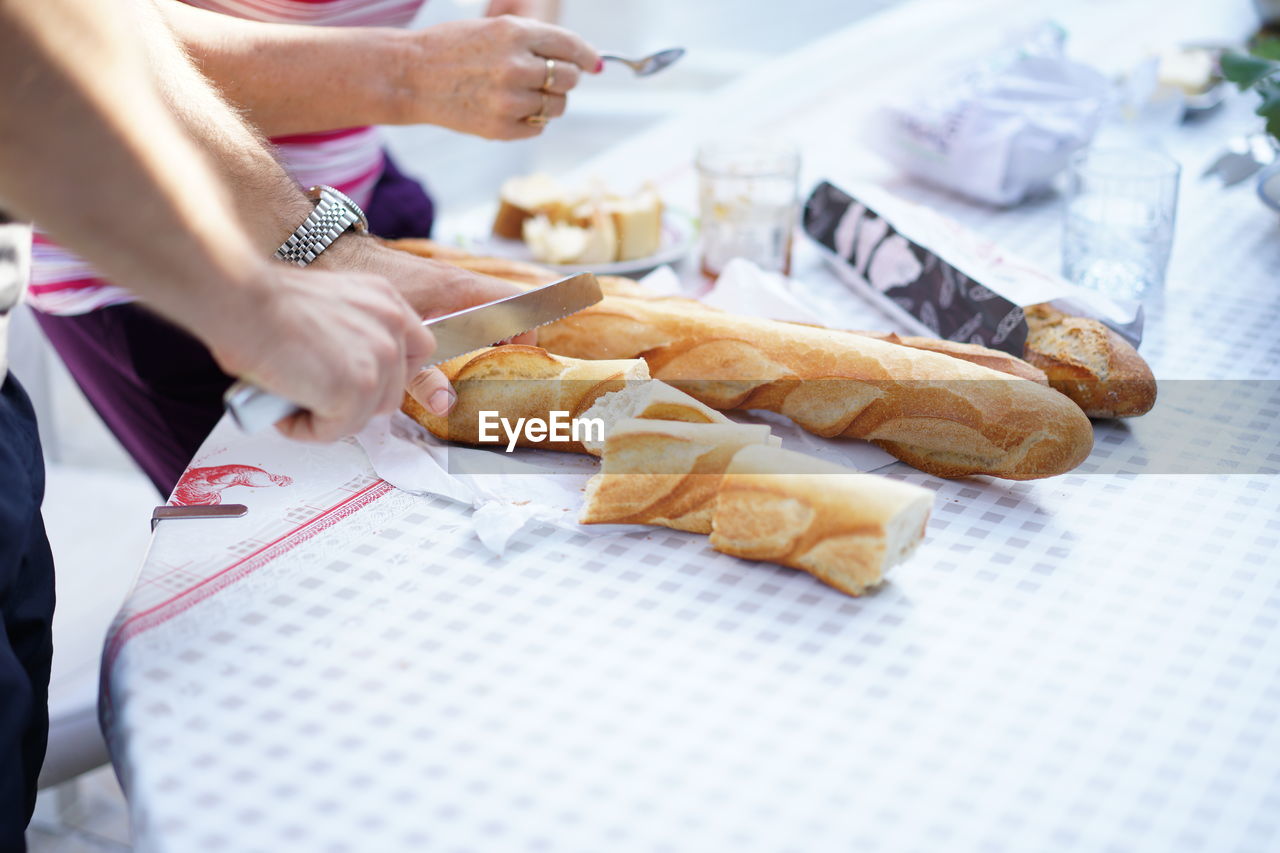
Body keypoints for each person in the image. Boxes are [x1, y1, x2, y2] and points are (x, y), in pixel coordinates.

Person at [0, 0, 537, 845]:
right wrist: (256, 289)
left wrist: (308, 250)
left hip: (312, 223)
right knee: (348, 636)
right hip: (171, 279)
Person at [28, 0, 602, 495]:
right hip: (163, 268)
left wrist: (522, 55)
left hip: (357, 202)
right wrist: (408, 76)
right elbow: (60, 45)